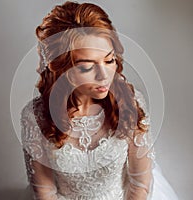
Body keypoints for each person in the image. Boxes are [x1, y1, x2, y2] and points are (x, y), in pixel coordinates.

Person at [20, 1, 178, 199]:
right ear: (60, 70)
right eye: (87, 67)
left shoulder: (130, 102)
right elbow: (45, 191)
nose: (104, 75)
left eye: (109, 60)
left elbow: (140, 184)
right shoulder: (35, 116)